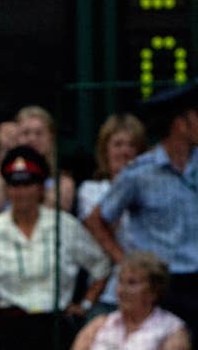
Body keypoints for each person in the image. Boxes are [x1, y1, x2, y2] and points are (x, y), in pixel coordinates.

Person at [0, 145, 111, 350]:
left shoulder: (64, 225)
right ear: (7, 189)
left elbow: (102, 266)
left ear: (41, 187)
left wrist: (85, 305)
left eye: (28, 184)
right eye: (14, 184)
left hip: (54, 325)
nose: (21, 192)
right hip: (8, 323)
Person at [85, 81, 198, 347]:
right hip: (161, 283)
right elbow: (97, 219)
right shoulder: (139, 173)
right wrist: (124, 259)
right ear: (180, 123)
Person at [77, 113, 147, 316]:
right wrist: (124, 185)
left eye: (131, 145)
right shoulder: (90, 190)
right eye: (118, 145)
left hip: (147, 293)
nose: (125, 152)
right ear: (105, 150)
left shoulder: (152, 188)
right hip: (107, 292)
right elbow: (103, 228)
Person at [71, 251, 190, 350]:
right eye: (120, 281)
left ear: (154, 290)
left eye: (132, 283)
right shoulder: (99, 325)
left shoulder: (171, 330)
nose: (122, 290)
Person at [0, 105, 76, 215]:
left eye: (39, 133)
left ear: (51, 138)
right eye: (25, 133)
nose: (32, 139)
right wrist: (5, 150)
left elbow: (51, 213)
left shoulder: (63, 183)